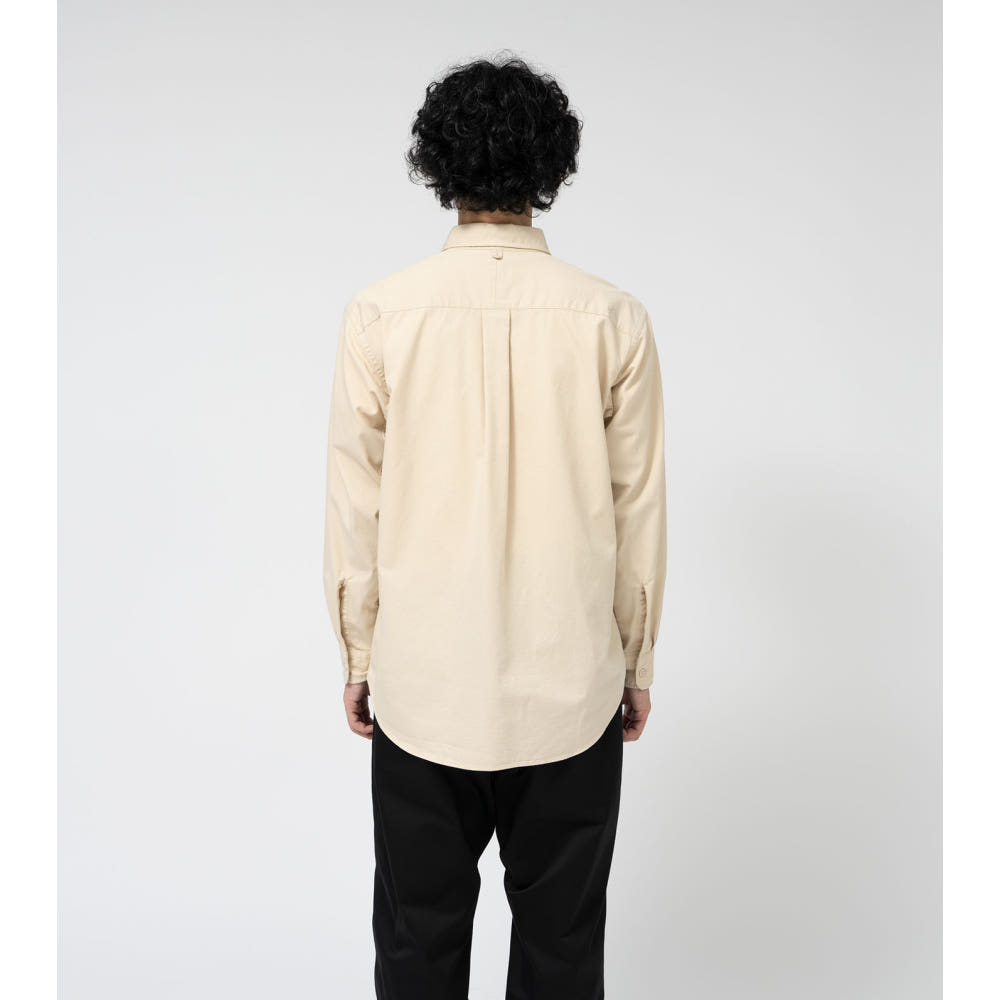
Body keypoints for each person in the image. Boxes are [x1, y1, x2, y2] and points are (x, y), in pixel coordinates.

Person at [323, 52, 667, 1000]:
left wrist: (359, 653)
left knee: (417, 945)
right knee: (563, 950)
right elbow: (638, 509)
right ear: (551, 168)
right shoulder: (613, 319)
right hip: (572, 688)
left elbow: (356, 503)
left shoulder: (381, 315)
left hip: (424, 685)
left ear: (439, 166)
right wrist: (634, 663)